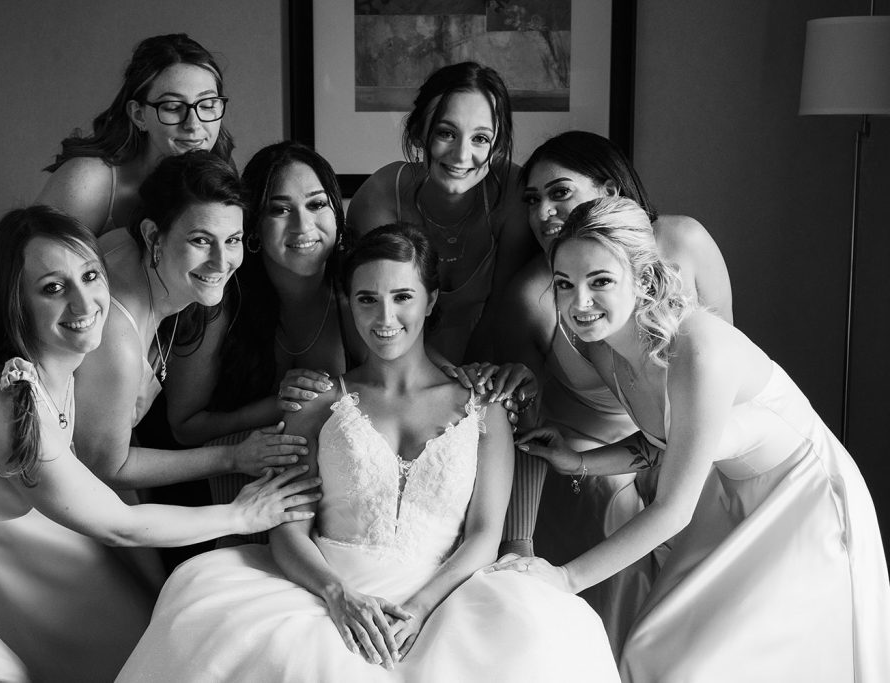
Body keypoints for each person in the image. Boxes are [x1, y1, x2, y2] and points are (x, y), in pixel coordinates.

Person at [116, 224, 620, 683]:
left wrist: (421, 609)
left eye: (402, 296)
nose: (384, 318)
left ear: (430, 299)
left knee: (545, 638)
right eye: (366, 299)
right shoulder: (316, 402)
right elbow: (287, 527)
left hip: (447, 592)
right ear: (348, 301)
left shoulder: (482, 407)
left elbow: (485, 535)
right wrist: (339, 597)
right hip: (325, 589)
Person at [0, 206, 319, 681]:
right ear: (16, 303)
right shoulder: (8, 403)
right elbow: (119, 525)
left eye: (90, 276)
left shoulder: (65, 359)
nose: (85, 306)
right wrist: (243, 514)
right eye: (53, 288)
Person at [490, 196, 890, 682]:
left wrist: (564, 577)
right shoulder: (605, 348)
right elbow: (663, 442)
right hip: (728, 494)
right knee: (650, 650)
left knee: (710, 668)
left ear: (641, 277)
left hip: (802, 500)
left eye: (600, 282)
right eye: (564, 284)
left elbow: (674, 508)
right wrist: (578, 461)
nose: (580, 303)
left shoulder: (698, 347)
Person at [494, 130, 733, 651]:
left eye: (560, 192)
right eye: (532, 200)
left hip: (705, 439)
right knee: (614, 503)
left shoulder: (683, 243)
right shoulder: (536, 297)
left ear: (609, 189)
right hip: (604, 448)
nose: (543, 212)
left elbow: (731, 379)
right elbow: (517, 402)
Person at [157, 141, 359, 557]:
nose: (303, 226)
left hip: (342, 510)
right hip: (230, 505)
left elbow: (403, 381)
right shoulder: (217, 303)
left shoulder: (358, 291)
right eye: (279, 209)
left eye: (317, 204)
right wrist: (280, 403)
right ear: (252, 228)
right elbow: (184, 425)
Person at [346, 61, 537, 364]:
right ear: (418, 133)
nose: (462, 155)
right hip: (391, 360)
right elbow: (375, 317)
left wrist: (469, 386)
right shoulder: (380, 198)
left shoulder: (513, 193)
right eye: (447, 133)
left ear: (497, 146)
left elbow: (503, 308)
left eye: (480, 139)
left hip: (487, 359)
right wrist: (444, 379)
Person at [36, 33, 234, 236]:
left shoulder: (219, 176)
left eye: (207, 105)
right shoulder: (88, 182)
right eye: (173, 107)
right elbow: (33, 262)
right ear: (138, 115)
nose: (193, 124)